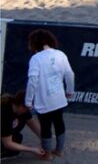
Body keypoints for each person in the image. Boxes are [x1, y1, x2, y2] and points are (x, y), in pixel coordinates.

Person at [25, 29, 74, 160]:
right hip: (59, 98)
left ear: (34, 43)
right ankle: (59, 150)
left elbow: (32, 81)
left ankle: (48, 154)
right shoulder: (61, 54)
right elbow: (69, 74)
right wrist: (70, 91)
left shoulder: (36, 59)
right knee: (59, 122)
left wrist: (28, 101)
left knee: (45, 126)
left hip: (44, 100)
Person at [1, 91, 44, 159]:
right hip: (4, 139)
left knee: (17, 137)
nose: (28, 111)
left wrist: (44, 140)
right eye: (27, 108)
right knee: (9, 143)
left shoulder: (21, 109)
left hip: (9, 134)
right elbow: (7, 143)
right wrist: (32, 149)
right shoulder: (5, 114)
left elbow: (32, 123)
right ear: (22, 106)